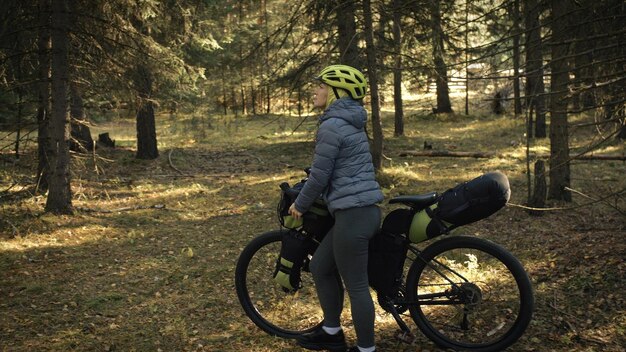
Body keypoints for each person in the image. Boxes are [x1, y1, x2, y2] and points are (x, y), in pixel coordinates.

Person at [289, 64, 384, 352]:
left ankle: (366, 349)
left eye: (322, 86)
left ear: (337, 93)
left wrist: (300, 204)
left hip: (353, 216)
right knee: (319, 266)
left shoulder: (332, 125)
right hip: (359, 213)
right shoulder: (350, 121)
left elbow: (320, 175)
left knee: (356, 285)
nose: (316, 91)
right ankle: (332, 331)